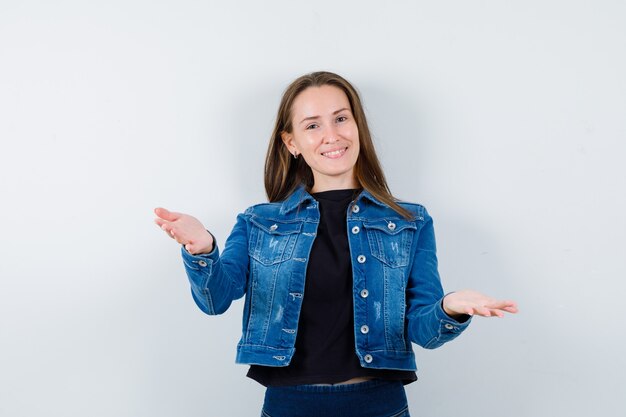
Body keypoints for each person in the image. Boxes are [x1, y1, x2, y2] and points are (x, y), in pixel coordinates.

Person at [154, 71, 518, 417]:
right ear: (291, 142)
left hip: (378, 403)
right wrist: (201, 249)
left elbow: (424, 330)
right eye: (312, 125)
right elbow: (216, 300)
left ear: (357, 126)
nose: (331, 135)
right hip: (288, 403)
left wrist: (450, 307)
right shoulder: (259, 221)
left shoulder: (410, 221)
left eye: (341, 119)